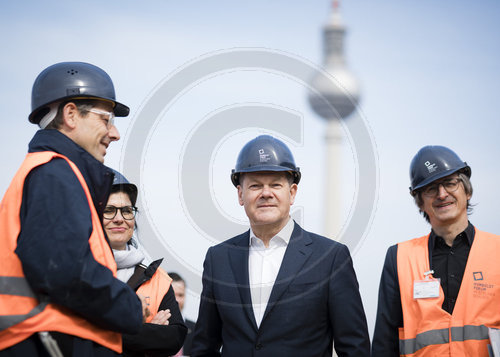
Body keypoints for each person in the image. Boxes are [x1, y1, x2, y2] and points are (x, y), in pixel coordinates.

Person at [0, 62, 145, 356]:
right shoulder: (56, 172)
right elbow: (62, 270)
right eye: (106, 119)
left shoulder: (52, 171)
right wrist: (129, 306)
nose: (114, 133)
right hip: (50, 341)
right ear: (70, 115)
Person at [191, 135, 370, 357]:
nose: (266, 193)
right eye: (255, 186)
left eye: (275, 184)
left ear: (292, 192)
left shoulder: (331, 258)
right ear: (240, 194)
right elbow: (203, 346)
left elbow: (354, 347)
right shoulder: (219, 259)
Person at [372, 145, 500, 356]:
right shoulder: (399, 258)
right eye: (431, 188)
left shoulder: (497, 252)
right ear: (420, 202)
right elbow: (384, 344)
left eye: (450, 183)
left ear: (467, 191)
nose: (442, 194)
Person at [104, 171, 187, 356]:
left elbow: (174, 338)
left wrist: (110, 333)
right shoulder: (78, 270)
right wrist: (147, 331)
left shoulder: (159, 279)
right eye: (109, 210)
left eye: (127, 210)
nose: (119, 218)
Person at [169, 272, 197, 356]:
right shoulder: (153, 325)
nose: (176, 300)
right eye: (172, 295)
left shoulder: (197, 330)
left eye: (180, 295)